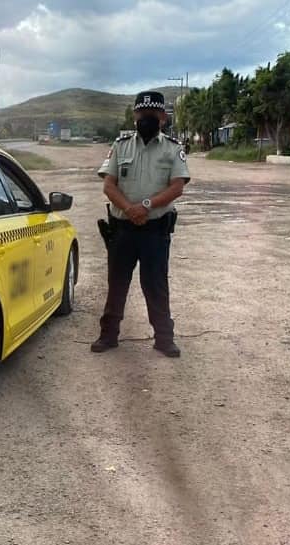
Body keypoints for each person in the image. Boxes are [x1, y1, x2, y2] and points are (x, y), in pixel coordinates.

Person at [92, 91, 190, 357]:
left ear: (162, 118)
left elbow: (177, 187)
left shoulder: (173, 148)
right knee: (117, 284)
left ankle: (164, 339)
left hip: (155, 232)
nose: (145, 118)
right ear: (134, 116)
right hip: (123, 229)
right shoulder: (121, 145)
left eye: (152, 114)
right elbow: (108, 184)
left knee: (156, 285)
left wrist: (145, 207)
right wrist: (129, 209)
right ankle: (108, 335)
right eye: (141, 114)